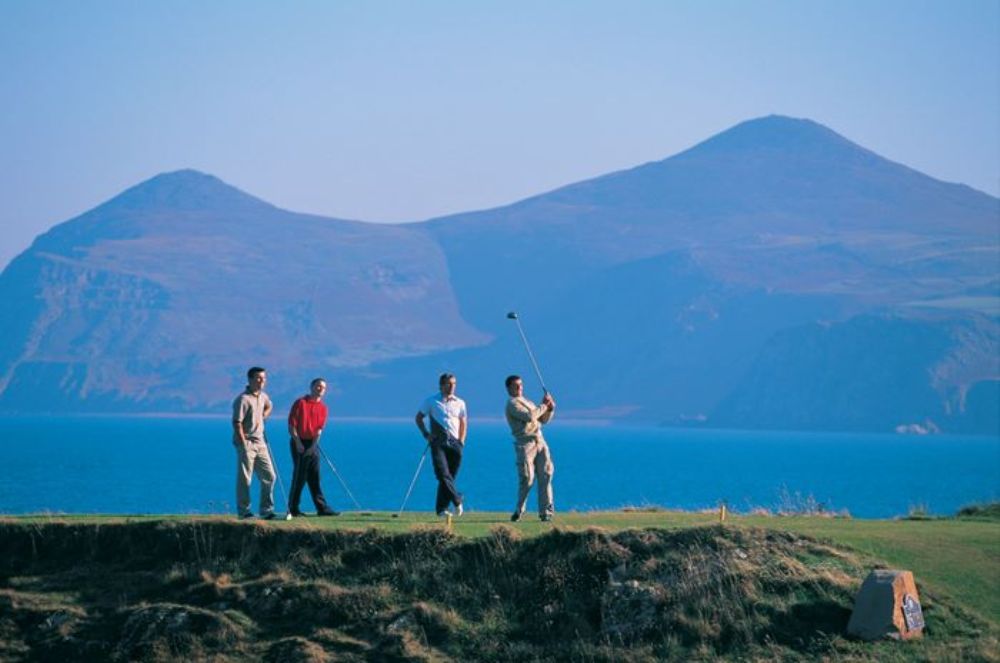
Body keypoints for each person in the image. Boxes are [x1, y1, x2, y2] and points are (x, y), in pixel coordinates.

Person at [415, 373, 468, 517]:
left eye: (454, 384)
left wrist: (461, 440)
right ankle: (457, 500)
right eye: (448, 384)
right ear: (441, 385)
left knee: (449, 477)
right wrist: (426, 434)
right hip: (438, 443)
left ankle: (441, 509)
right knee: (442, 474)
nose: (452, 387)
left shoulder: (460, 403)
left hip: (455, 444)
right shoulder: (431, 401)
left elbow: (463, 422)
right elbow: (419, 418)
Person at [504, 375, 556, 522]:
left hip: (540, 441)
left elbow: (543, 420)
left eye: (520, 384)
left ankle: (546, 512)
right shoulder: (512, 404)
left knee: (546, 475)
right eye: (516, 385)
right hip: (525, 444)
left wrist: (550, 409)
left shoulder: (529, 402)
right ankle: (519, 509)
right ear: (509, 388)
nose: (519, 387)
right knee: (527, 478)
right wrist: (544, 405)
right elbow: (529, 416)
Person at [287, 378, 339, 517]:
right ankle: (293, 508)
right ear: (311, 387)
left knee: (315, 476)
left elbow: (319, 430)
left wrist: (313, 446)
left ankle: (322, 508)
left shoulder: (323, 408)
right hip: (299, 442)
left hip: (313, 444)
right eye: (318, 386)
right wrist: (298, 443)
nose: (320, 389)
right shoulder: (300, 403)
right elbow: (292, 426)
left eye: (323, 387)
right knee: (300, 476)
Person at [232, 366, 276, 520]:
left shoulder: (263, 396)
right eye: (258, 378)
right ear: (250, 379)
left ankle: (266, 510)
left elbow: (270, 405)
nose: (262, 381)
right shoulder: (243, 399)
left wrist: (264, 414)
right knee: (245, 479)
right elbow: (237, 423)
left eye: (264, 378)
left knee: (270, 476)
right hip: (247, 443)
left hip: (261, 443)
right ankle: (244, 512)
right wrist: (243, 443)